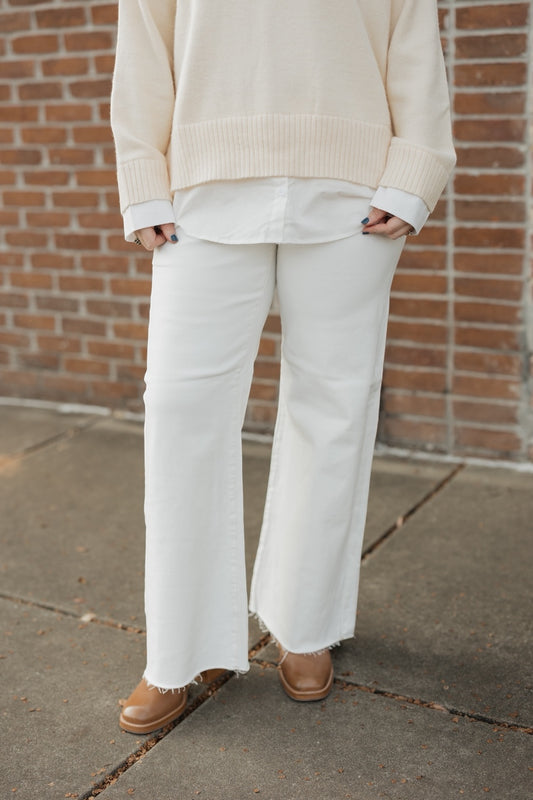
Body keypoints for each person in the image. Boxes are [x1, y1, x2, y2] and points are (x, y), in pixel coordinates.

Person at [110, 0, 455, 734]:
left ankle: (306, 622)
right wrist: (141, 177)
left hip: (354, 194)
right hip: (200, 190)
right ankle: (181, 647)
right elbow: (143, 43)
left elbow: (413, 38)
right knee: (179, 407)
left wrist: (416, 171)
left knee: (333, 407)